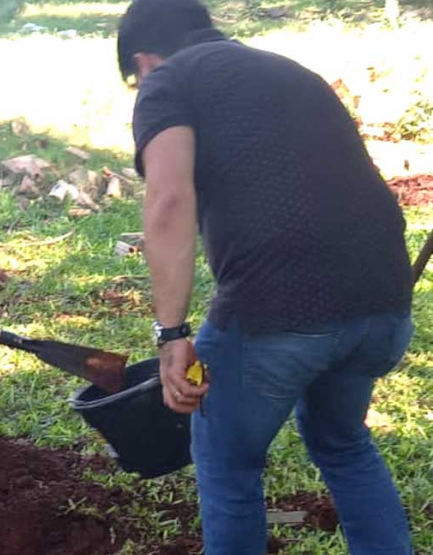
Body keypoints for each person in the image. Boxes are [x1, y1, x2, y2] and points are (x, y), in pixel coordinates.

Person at [117, 0, 415, 553]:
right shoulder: (287, 70)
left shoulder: (168, 82)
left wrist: (172, 335)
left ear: (143, 61)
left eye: (135, 77)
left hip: (278, 310)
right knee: (345, 444)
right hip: (383, 301)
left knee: (229, 467)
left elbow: (169, 200)